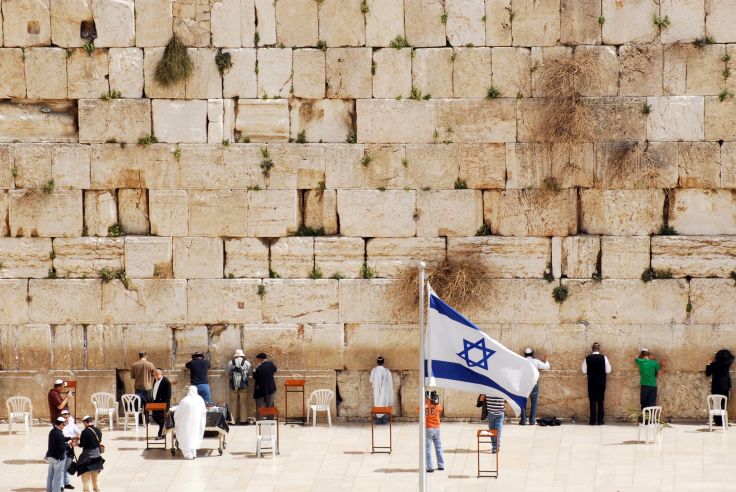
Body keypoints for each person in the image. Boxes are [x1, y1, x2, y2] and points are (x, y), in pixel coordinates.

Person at [582, 342, 612, 425]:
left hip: (591, 382)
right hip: (601, 382)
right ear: (599, 349)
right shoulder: (604, 358)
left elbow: (584, 370)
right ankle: (600, 421)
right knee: (600, 401)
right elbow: (608, 370)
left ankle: (592, 421)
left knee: (592, 401)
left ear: (592, 349)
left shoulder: (587, 358)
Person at [174, 386, 207, 460]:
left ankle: (188, 454)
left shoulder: (184, 400)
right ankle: (194, 452)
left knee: (186, 437)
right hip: (196, 423)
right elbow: (204, 411)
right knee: (194, 436)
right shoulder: (200, 399)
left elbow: (178, 413)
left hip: (186, 424)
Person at [520, 347, 550, 425]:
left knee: (522, 402)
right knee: (534, 402)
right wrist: (546, 360)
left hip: (523, 385)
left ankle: (523, 420)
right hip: (534, 384)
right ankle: (532, 420)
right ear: (532, 354)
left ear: (525, 354)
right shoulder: (536, 361)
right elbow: (547, 367)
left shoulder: (521, 361)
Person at [706, 349, 734, 426]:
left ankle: (717, 421)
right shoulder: (726, 364)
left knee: (716, 404)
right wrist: (729, 355)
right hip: (725, 386)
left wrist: (708, 363)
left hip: (716, 387)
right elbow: (732, 357)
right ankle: (722, 420)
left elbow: (708, 373)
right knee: (724, 403)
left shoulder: (714, 365)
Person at [76, 416, 104, 492]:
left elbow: (82, 444)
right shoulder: (98, 430)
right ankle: (97, 489)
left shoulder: (85, 432)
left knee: (85, 479)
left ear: (85, 422)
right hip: (97, 457)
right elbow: (99, 440)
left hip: (87, 458)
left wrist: (76, 443)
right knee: (95, 478)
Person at [46, 416, 70, 492]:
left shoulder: (52, 431)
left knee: (50, 475)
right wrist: (68, 443)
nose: (63, 427)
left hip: (50, 457)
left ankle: (49, 490)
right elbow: (61, 447)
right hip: (57, 459)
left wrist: (66, 439)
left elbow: (57, 440)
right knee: (57, 477)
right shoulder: (59, 434)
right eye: (63, 425)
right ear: (60, 424)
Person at [228, 349, 252, 424]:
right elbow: (250, 375)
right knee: (243, 403)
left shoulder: (230, 362)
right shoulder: (247, 363)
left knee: (233, 402)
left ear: (235, 355)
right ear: (242, 355)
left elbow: (228, 373)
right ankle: (243, 420)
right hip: (243, 385)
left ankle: (233, 420)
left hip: (233, 385)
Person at [424, 390, 444, 473]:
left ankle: (429, 467)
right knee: (438, 447)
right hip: (437, 428)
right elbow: (440, 411)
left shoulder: (425, 405)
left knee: (428, 449)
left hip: (429, 428)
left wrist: (426, 402)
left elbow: (418, 409)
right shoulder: (437, 405)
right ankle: (441, 465)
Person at [370, 356, 393, 424]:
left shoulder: (374, 371)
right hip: (385, 392)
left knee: (377, 403)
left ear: (377, 362)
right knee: (384, 403)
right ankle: (384, 420)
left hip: (376, 391)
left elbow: (371, 380)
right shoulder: (387, 371)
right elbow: (390, 382)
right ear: (383, 362)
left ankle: (378, 420)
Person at [131, 351, 156, 416]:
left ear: (139, 356)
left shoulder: (134, 365)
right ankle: (147, 420)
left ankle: (139, 420)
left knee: (138, 404)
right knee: (147, 405)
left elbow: (133, 376)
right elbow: (153, 374)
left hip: (138, 387)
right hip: (148, 387)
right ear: (145, 356)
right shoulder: (150, 364)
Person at [61, 410, 81, 490]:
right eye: (64, 414)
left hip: (70, 447)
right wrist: (70, 437)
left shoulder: (72, 424)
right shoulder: (60, 425)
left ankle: (66, 483)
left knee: (67, 466)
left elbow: (78, 432)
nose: (66, 416)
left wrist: (76, 439)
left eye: (67, 414)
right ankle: (61, 484)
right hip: (63, 447)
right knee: (61, 467)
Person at [151, 368, 171, 439]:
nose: (155, 376)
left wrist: (165, 406)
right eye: (154, 375)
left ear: (161, 374)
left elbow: (168, 395)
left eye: (157, 374)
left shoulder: (166, 382)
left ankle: (161, 434)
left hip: (163, 404)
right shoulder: (155, 381)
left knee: (162, 419)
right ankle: (162, 432)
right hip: (155, 403)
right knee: (155, 417)